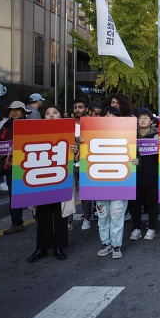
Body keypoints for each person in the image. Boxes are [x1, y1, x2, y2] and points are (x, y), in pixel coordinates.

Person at [26, 106, 72, 262]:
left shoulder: (69, 132)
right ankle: (42, 248)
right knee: (42, 213)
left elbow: (77, 157)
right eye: (47, 113)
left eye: (55, 113)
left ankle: (59, 246)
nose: (51, 115)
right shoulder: (35, 132)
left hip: (60, 178)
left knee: (60, 214)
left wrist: (75, 150)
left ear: (61, 115)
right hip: (41, 178)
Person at [92, 106, 136, 259]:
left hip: (121, 182)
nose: (110, 117)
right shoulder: (92, 134)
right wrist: (83, 144)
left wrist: (137, 161)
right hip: (99, 183)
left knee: (117, 215)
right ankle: (106, 243)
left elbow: (136, 157)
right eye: (106, 114)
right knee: (103, 215)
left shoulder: (129, 135)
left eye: (114, 115)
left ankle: (116, 245)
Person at [0, 101, 30, 234]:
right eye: (12, 110)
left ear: (23, 112)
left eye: (17, 110)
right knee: (14, 195)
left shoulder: (30, 125)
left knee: (32, 193)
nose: (14, 112)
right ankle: (16, 223)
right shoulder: (5, 127)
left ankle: (40, 216)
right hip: (10, 166)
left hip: (29, 166)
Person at [129, 109, 159, 242]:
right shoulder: (130, 136)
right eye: (140, 117)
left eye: (146, 118)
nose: (142, 120)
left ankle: (151, 228)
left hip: (152, 175)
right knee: (134, 204)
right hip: (133, 175)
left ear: (151, 121)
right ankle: (136, 228)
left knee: (152, 203)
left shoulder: (157, 136)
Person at [72, 97, 92, 230]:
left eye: (80, 107)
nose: (77, 110)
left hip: (86, 164)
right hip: (71, 164)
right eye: (75, 107)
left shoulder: (91, 125)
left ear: (86, 109)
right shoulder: (68, 124)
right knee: (69, 194)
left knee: (86, 194)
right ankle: (68, 220)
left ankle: (86, 218)